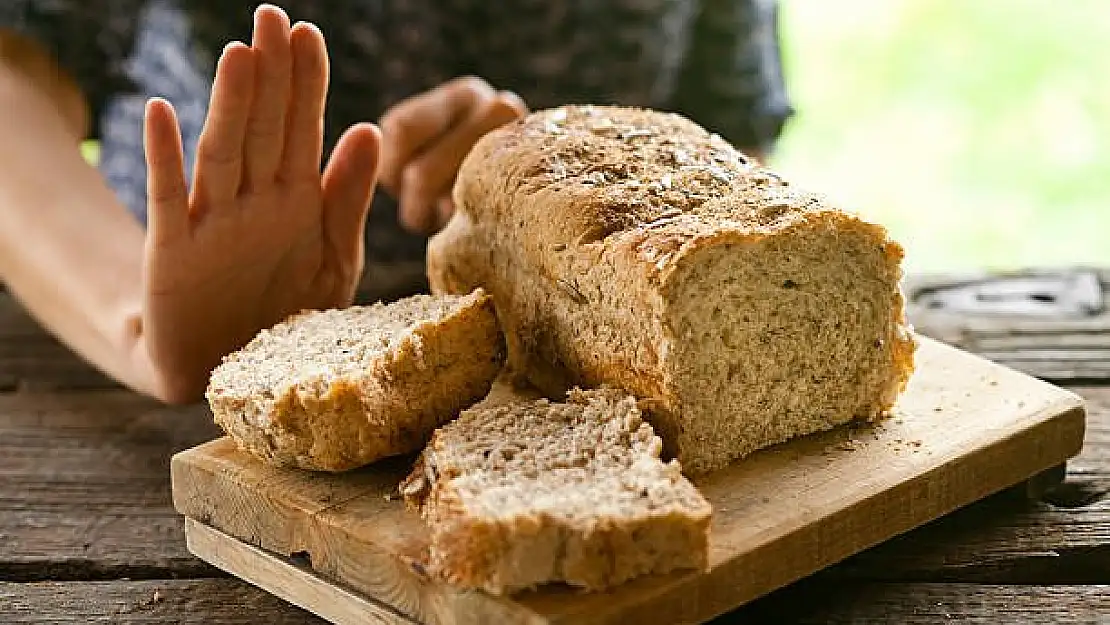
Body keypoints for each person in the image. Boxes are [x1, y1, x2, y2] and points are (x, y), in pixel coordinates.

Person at [0, 1, 792, 404]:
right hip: (143, 369)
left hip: (566, 381)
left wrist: (554, 172)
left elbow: (726, 142)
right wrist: (132, 315)